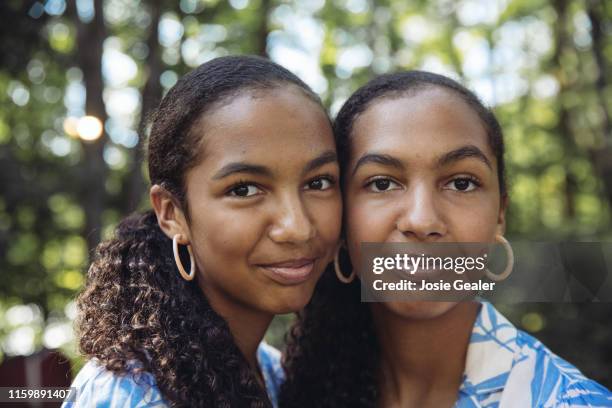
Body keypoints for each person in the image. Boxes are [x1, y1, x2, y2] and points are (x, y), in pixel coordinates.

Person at [280, 71, 612, 407]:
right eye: (382, 183)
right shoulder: (280, 387)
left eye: (462, 183)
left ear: (500, 213)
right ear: (341, 218)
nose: (423, 221)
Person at [63, 55, 342, 408]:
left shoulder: (269, 370)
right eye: (244, 189)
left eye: (318, 182)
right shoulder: (135, 395)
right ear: (172, 213)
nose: (297, 227)